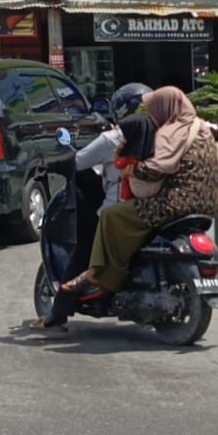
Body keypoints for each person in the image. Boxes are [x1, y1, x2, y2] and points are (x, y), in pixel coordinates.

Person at [61, 88, 218, 297]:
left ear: (167, 108)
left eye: (155, 109)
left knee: (112, 215)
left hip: (175, 204)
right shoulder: (202, 129)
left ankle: (100, 274)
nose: (153, 115)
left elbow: (157, 169)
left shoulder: (172, 131)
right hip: (208, 204)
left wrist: (133, 169)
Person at [25, 86, 157, 334]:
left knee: (82, 254)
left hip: (118, 213)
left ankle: (56, 315)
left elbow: (77, 161)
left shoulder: (114, 138)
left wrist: (47, 166)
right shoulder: (166, 134)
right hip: (158, 209)